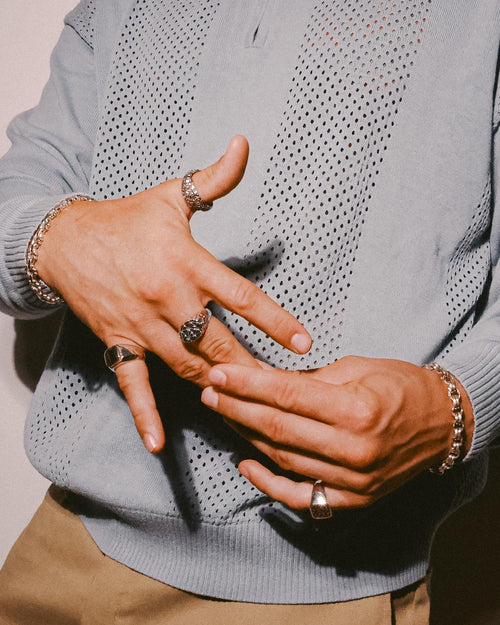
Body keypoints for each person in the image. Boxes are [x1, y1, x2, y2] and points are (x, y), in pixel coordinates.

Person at [0, 1, 499, 623]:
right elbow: (22, 187)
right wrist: (59, 239)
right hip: (67, 553)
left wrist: (456, 406)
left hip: (333, 587)